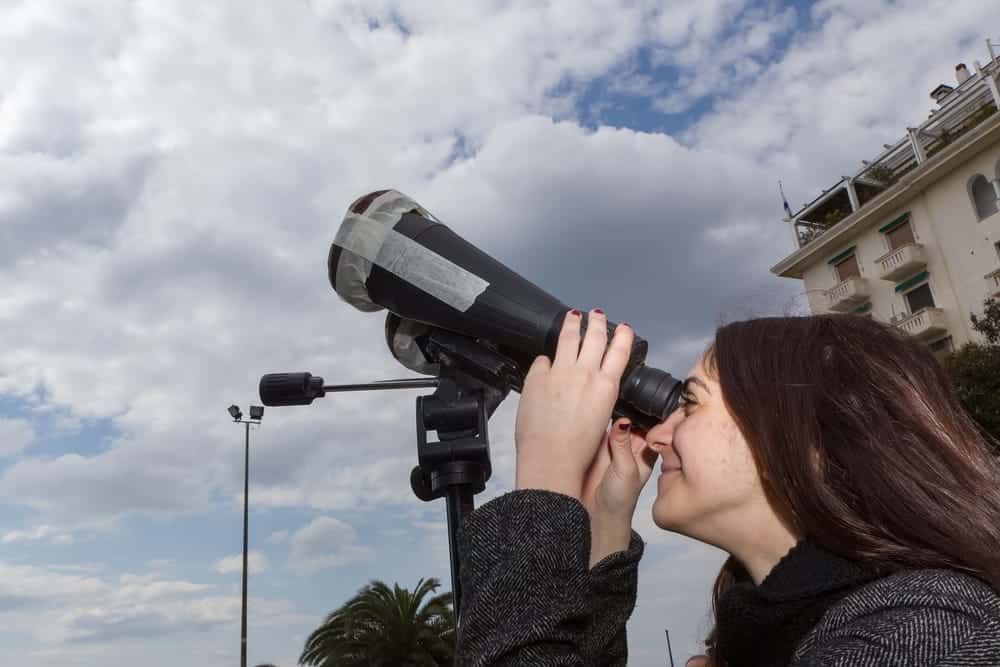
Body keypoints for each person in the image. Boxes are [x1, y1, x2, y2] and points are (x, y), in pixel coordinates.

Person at [454, 309, 1000, 666]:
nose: (659, 433)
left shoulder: (932, 631)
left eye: (688, 403)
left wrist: (544, 479)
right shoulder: (783, 630)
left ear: (800, 438)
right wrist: (604, 526)